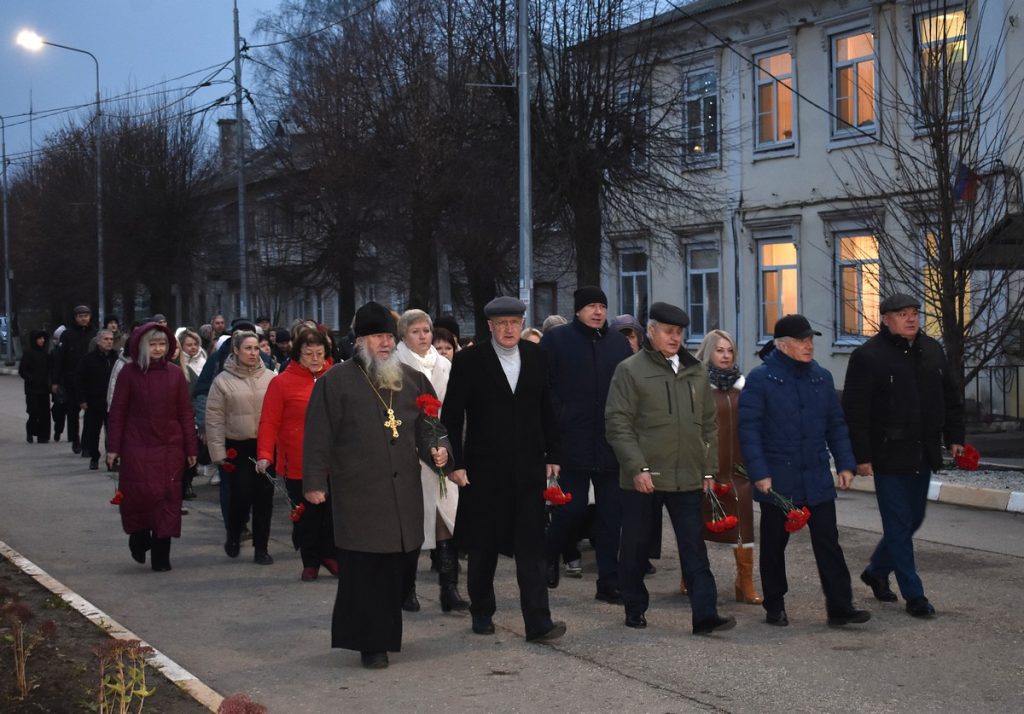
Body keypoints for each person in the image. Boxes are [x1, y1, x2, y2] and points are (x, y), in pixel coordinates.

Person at [302, 301, 448, 669]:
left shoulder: (412, 380)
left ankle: (381, 632)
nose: (385, 343)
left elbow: (430, 428)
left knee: (400, 567)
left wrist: (440, 450)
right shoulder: (335, 382)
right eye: (376, 337)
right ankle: (372, 644)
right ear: (359, 341)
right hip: (359, 495)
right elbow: (318, 435)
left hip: (403, 496)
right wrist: (314, 481)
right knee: (367, 572)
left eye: (388, 336)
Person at [441, 296, 567, 643]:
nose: (509, 329)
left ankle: (538, 623)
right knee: (483, 547)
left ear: (522, 324)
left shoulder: (537, 357)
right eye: (502, 324)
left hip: (528, 467)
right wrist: (455, 463)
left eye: (514, 323)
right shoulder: (470, 361)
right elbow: (452, 415)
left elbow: (547, 408)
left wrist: (554, 453)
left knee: (532, 547)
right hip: (483, 470)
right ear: (490, 326)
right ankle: (482, 611)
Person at [605, 302, 735, 634]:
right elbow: (618, 424)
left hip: (687, 476)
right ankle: (634, 607)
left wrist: (709, 470)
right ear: (651, 331)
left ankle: (705, 614)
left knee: (694, 548)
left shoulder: (695, 371)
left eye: (678, 332)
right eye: (667, 331)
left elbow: (708, 425)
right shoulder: (630, 370)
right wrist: (637, 467)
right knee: (635, 546)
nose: (674, 337)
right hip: (645, 477)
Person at [738, 314, 869, 628]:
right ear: (783, 345)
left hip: (816, 476)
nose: (809, 345)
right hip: (778, 480)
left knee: (829, 542)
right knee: (774, 545)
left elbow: (836, 424)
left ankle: (840, 607)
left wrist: (846, 463)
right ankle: (775, 604)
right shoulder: (761, 379)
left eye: (810, 340)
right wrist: (759, 473)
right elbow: (749, 431)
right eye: (802, 340)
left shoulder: (820, 377)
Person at [841, 294, 965, 618]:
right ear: (886, 319)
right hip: (887, 454)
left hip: (922, 450)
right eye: (902, 314)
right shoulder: (868, 356)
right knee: (898, 524)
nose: (911, 319)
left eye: (914, 313)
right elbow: (855, 411)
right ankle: (915, 595)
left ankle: (877, 571)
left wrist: (955, 437)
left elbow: (951, 396)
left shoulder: (932, 350)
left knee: (914, 519)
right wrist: (861, 456)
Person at [541, 286, 632, 604]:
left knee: (611, 517)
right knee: (570, 510)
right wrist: (558, 420)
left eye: (602, 306)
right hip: (572, 442)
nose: (597, 312)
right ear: (578, 310)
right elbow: (544, 388)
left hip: (609, 444)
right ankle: (548, 554)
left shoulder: (618, 344)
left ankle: (608, 583)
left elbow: (628, 389)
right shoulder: (557, 340)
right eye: (591, 306)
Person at [107, 323, 197, 571]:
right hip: (137, 446)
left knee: (167, 500)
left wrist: (191, 448)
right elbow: (118, 412)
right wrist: (113, 448)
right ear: (142, 346)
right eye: (153, 344)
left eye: (162, 344)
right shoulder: (129, 374)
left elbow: (185, 412)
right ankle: (138, 538)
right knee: (140, 496)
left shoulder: (175, 374)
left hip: (169, 446)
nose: (158, 349)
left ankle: (161, 556)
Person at [395, 309, 468, 613]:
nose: (423, 336)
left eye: (426, 330)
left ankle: (449, 589)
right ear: (403, 335)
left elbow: (456, 408)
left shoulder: (446, 365)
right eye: (415, 331)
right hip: (409, 453)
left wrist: (448, 447)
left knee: (445, 521)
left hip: (443, 451)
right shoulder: (395, 366)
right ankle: (406, 589)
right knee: (412, 523)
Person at [256, 328, 337, 581]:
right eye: (309, 354)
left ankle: (330, 555)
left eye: (320, 353)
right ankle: (310, 561)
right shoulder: (281, 382)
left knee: (332, 514)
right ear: (297, 354)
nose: (315, 359)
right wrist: (265, 454)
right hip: (297, 461)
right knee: (307, 515)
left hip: (333, 461)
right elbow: (269, 421)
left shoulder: (334, 378)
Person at [695, 329, 762, 605]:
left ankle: (744, 582)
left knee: (744, 524)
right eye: (719, 350)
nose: (725, 355)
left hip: (739, 469)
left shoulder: (743, 388)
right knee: (697, 524)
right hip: (707, 468)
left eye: (730, 350)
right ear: (708, 352)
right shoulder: (697, 386)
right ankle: (690, 574)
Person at [206, 330, 277, 565]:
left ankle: (261, 548)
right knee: (241, 495)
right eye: (248, 348)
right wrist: (218, 453)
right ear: (236, 350)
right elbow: (214, 419)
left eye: (256, 348)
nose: (253, 353)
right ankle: (234, 533)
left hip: (265, 446)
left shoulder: (270, 378)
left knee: (264, 498)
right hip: (238, 447)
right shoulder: (222, 381)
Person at [51, 305, 95, 455]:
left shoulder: (94, 333)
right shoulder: (67, 334)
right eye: (80, 316)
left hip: (91, 379)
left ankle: (87, 442)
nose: (83, 318)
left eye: (86, 316)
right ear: (75, 318)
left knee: (91, 413)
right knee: (73, 412)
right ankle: (75, 440)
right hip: (72, 379)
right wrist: (55, 381)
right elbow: (59, 359)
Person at [75, 329, 118, 469]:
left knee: (112, 432)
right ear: (98, 341)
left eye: (111, 339)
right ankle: (94, 456)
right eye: (106, 339)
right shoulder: (88, 359)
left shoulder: (116, 358)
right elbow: (80, 380)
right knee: (93, 432)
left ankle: (112, 460)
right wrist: (82, 399)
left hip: (112, 402)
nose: (109, 342)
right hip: (94, 402)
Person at [19, 330, 52, 443]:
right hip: (32, 389)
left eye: (43, 338)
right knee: (34, 412)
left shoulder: (45, 354)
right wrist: (32, 379)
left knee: (44, 413)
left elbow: (50, 369)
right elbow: (22, 370)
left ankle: (43, 436)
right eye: (39, 338)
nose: (42, 340)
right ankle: (30, 431)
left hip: (44, 389)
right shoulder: (28, 353)